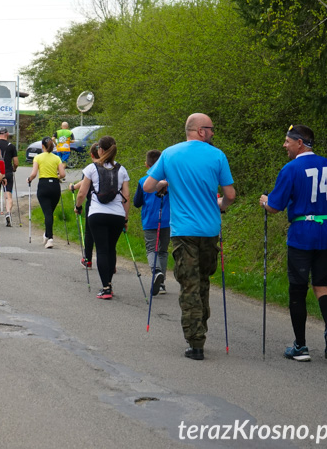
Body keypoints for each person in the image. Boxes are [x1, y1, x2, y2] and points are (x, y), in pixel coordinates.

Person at [143, 113, 235, 361]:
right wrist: (221, 205)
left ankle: (196, 342)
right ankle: (200, 328)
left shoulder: (170, 154)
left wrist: (165, 182)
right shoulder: (217, 156)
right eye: (211, 129)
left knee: (189, 284)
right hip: (210, 230)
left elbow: (147, 187)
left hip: (183, 231)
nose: (214, 133)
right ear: (201, 131)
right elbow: (230, 195)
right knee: (203, 281)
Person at [260, 124, 327, 361]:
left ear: (300, 142)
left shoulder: (291, 168)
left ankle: (301, 346)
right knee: (321, 284)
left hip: (302, 233)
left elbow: (275, 207)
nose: (284, 145)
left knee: (297, 288)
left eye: (287, 141)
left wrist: (265, 202)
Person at [75, 136, 130, 299]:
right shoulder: (122, 170)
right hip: (117, 215)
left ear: (100, 150)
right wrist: (125, 219)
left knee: (101, 250)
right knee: (111, 248)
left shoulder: (91, 168)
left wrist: (78, 207)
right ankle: (109, 284)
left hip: (97, 214)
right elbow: (126, 196)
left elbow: (82, 193)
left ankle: (106, 287)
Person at [133, 149, 171, 296]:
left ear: (146, 165)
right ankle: (161, 284)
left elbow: (137, 202)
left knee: (151, 249)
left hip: (150, 220)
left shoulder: (144, 181)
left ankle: (156, 271)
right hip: (167, 220)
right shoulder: (169, 181)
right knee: (163, 250)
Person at [29, 137, 66, 249]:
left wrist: (29, 179)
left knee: (48, 213)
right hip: (55, 186)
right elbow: (63, 174)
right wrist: (56, 176)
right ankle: (46, 234)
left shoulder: (38, 157)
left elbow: (34, 173)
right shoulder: (57, 158)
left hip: (44, 185)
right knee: (49, 212)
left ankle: (50, 238)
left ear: (42, 146)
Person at [69, 143, 99, 268]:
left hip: (93, 204)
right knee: (106, 235)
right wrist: (74, 186)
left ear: (91, 154)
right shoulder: (115, 167)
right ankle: (110, 262)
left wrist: (78, 206)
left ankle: (88, 259)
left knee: (89, 233)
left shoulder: (90, 168)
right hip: (113, 207)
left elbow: (84, 186)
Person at [0, 127, 19, 227]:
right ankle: (8, 212)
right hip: (8, 172)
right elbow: (16, 162)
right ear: (7, 134)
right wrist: (14, 168)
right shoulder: (11, 146)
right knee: (8, 195)